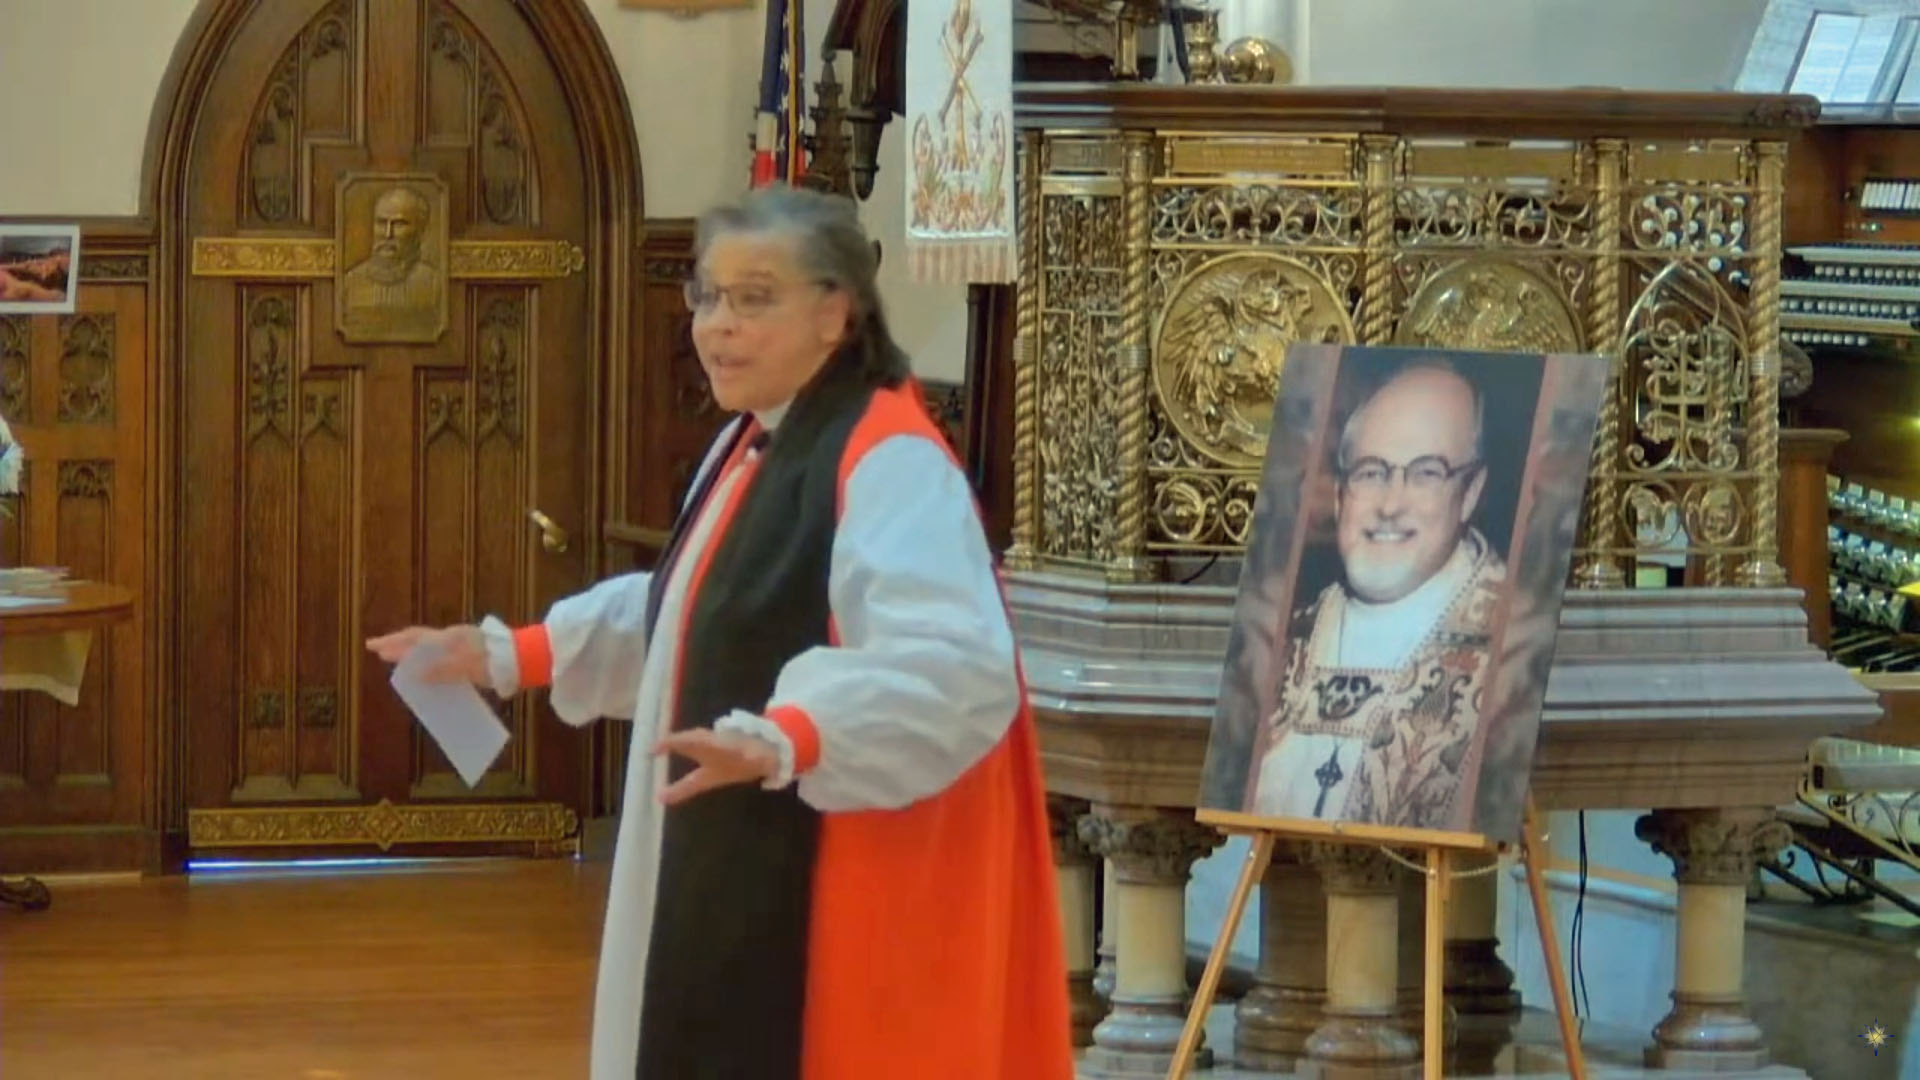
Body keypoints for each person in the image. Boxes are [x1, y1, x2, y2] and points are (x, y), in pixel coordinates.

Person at [367, 185, 1072, 1080]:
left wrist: (789, 737)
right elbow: (696, 607)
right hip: (735, 849)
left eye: (754, 299)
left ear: (834, 312)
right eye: (707, 295)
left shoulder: (889, 459)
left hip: (840, 883)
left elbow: (956, 667)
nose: (716, 327)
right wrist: (510, 652)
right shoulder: (757, 439)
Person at [1248, 361, 1506, 830]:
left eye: (1427, 473)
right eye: (1371, 472)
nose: (1390, 505)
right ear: (1343, 493)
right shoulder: (1282, 638)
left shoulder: (1510, 651)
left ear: (1470, 493)